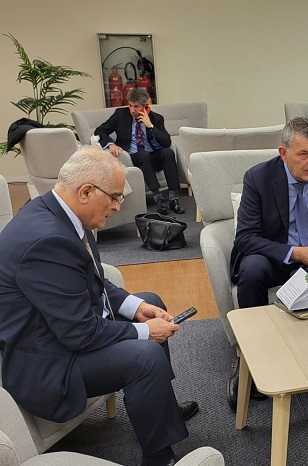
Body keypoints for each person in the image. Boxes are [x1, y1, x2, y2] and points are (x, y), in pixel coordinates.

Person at [0, 147, 199, 466]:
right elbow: (79, 333)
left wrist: (135, 307)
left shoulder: (61, 213)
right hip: (48, 362)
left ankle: (160, 409)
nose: (119, 206)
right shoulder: (45, 240)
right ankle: (158, 458)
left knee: (150, 301)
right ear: (86, 192)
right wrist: (145, 331)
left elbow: (94, 279)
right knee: (146, 355)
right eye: (115, 197)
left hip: (61, 331)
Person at [228, 116, 308, 408]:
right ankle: (250, 357)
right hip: (274, 256)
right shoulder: (258, 178)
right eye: (304, 154)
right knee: (252, 269)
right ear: (283, 153)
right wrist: (297, 253)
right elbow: (246, 238)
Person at [95, 88, 185, 216]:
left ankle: (174, 198)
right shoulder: (120, 114)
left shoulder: (156, 118)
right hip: (133, 157)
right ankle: (158, 198)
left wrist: (151, 126)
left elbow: (166, 142)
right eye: (130, 106)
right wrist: (111, 144)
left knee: (168, 152)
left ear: (144, 106)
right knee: (143, 155)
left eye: (136, 106)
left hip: (152, 157)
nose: (132, 110)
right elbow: (100, 130)